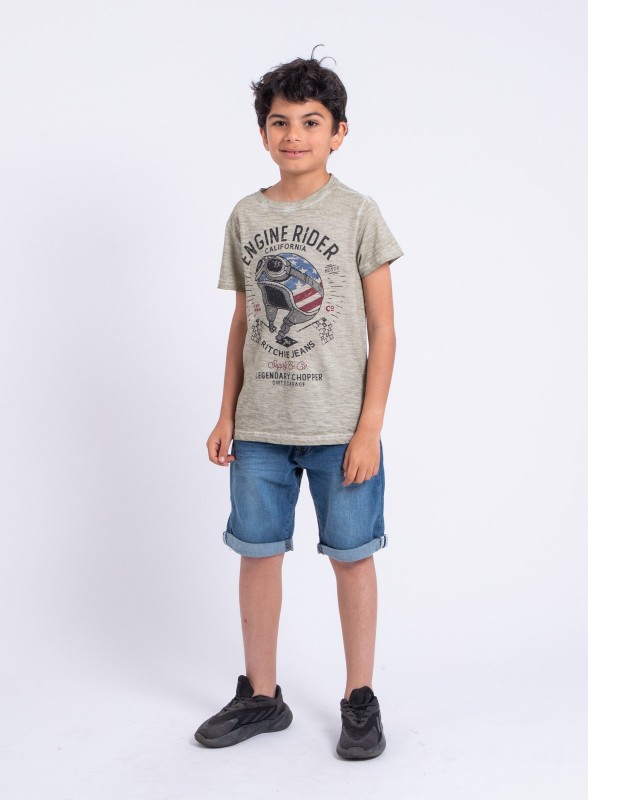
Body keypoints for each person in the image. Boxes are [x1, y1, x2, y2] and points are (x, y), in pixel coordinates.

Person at [194, 50, 403, 760]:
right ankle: (262, 695)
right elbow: (244, 321)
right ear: (263, 132)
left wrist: (369, 427)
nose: (294, 135)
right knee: (258, 555)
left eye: (312, 122)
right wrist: (227, 413)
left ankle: (360, 697)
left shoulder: (358, 213)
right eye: (280, 122)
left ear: (339, 132)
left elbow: (383, 329)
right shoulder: (246, 215)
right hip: (260, 428)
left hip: (341, 427)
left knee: (352, 558)